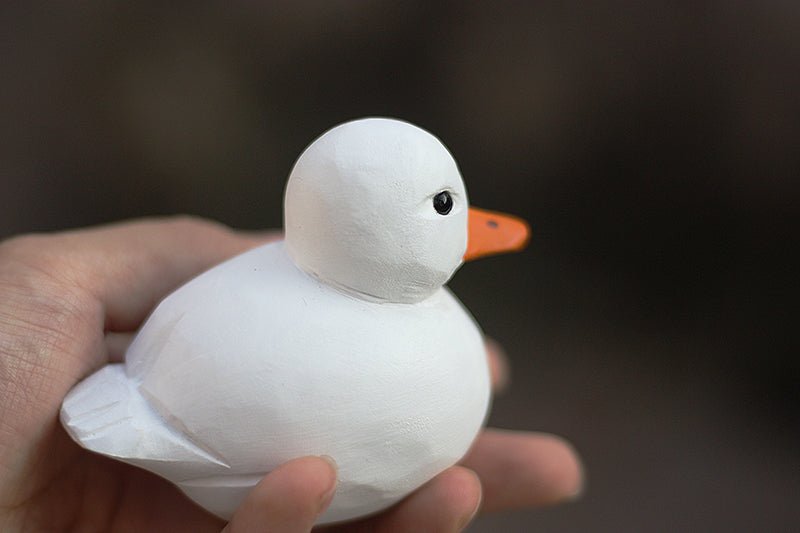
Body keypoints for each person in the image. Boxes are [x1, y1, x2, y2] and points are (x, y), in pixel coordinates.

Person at [0, 217, 582, 532]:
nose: (484, 224)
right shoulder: (442, 349)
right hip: (185, 435)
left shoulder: (250, 271)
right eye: (443, 205)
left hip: (139, 389)